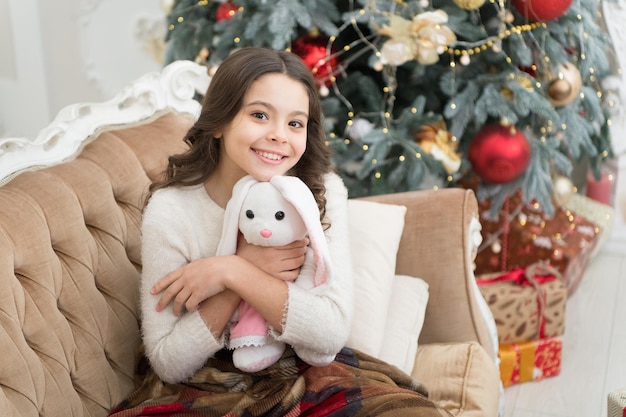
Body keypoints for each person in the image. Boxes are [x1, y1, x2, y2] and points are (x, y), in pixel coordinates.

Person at [109, 47, 452, 417]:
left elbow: (330, 332)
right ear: (221, 121)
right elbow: (168, 361)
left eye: (295, 123)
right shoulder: (173, 210)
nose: (279, 136)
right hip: (207, 385)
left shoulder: (320, 192)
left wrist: (234, 272)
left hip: (307, 371)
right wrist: (239, 267)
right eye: (259, 115)